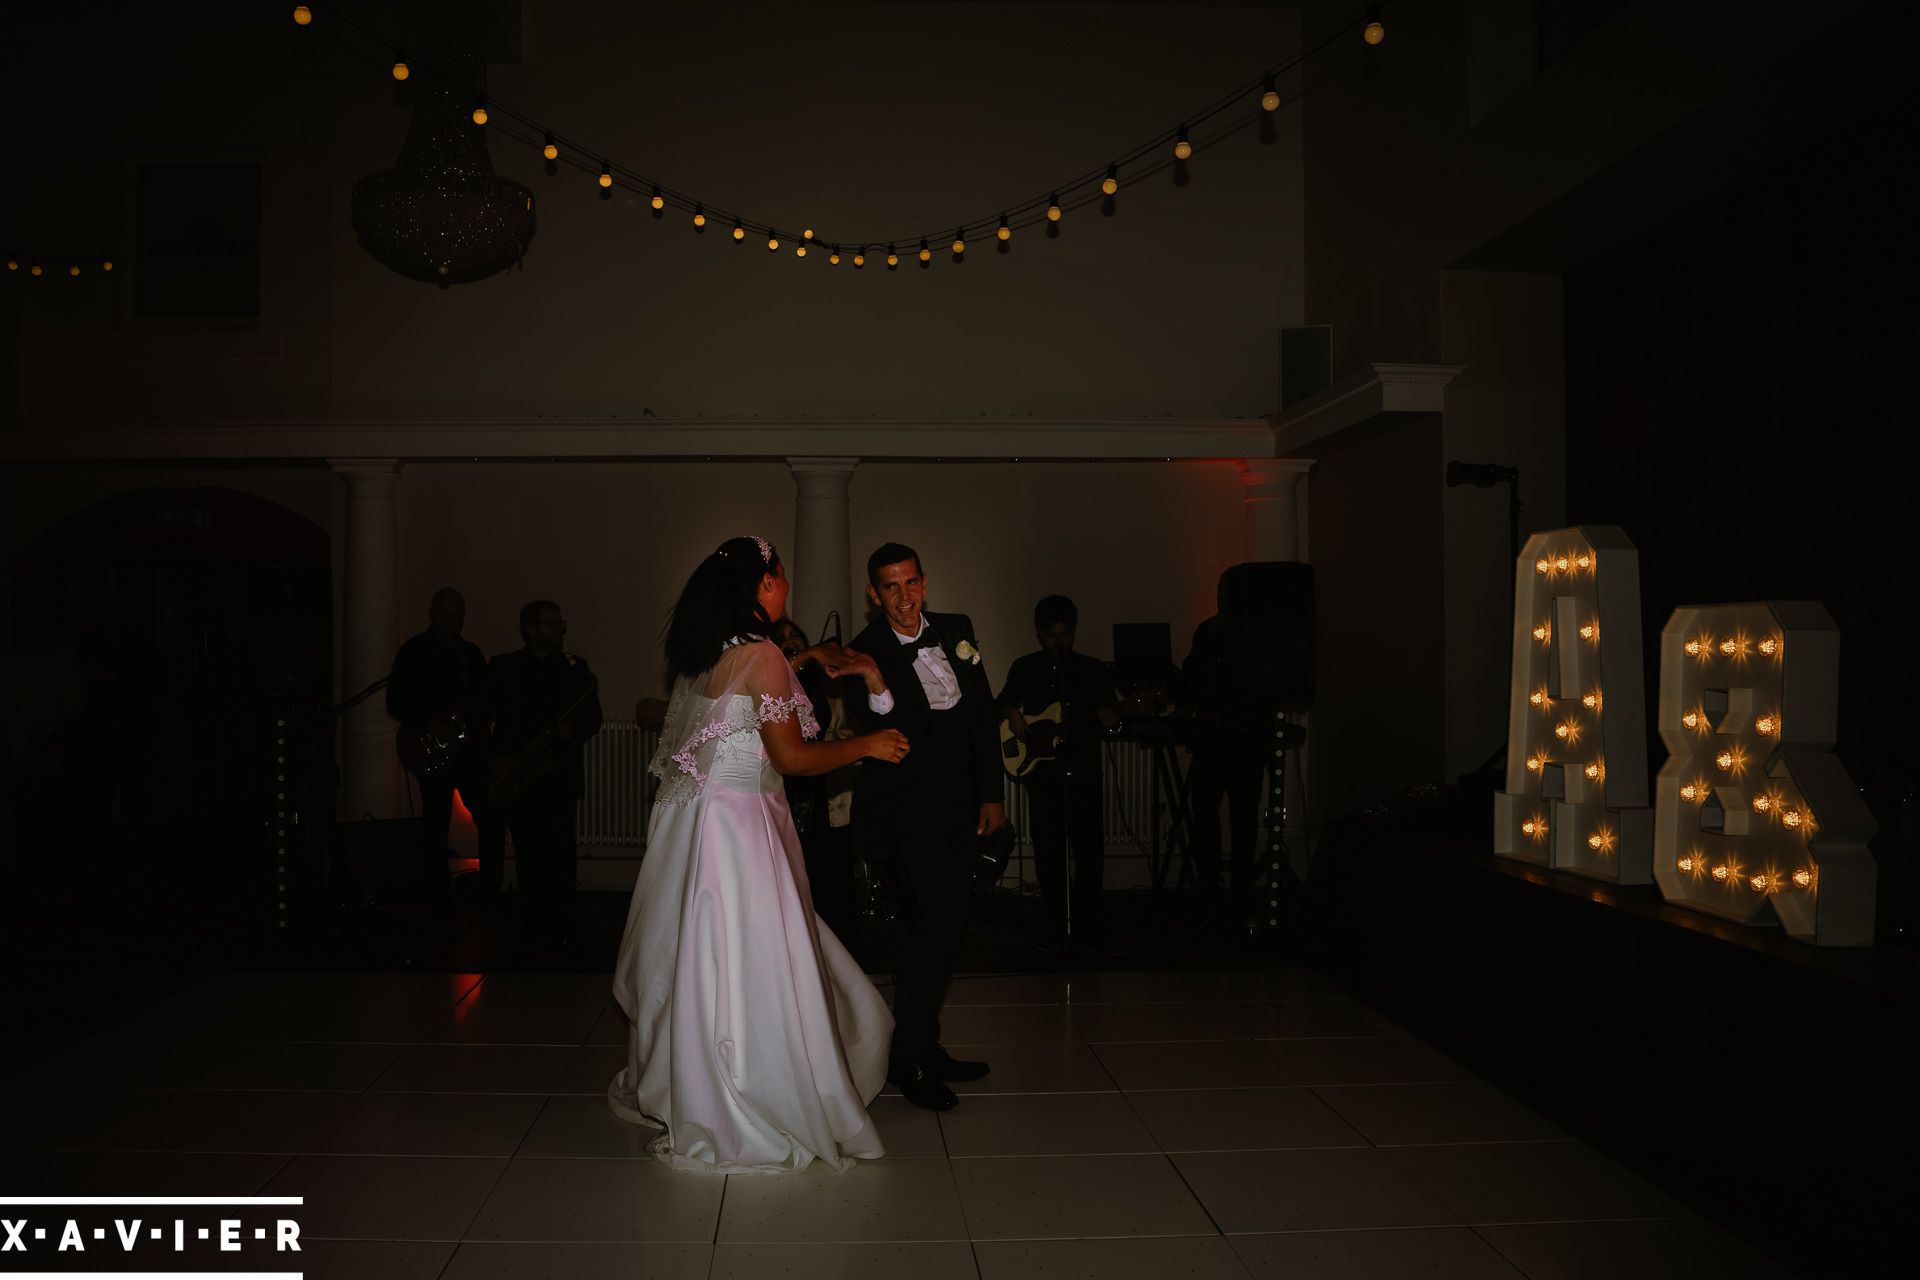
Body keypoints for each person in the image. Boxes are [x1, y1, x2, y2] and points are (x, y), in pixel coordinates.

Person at [609, 536, 909, 1174]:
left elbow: (741, 705)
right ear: (763, 586)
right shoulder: (763, 655)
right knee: (758, 955)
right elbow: (793, 757)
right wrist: (869, 746)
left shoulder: (710, 655)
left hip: (704, 821)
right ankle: (759, 1088)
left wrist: (804, 658)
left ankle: (704, 1072)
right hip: (743, 823)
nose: (788, 589)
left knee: (713, 955)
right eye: (781, 579)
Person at [832, 542, 1003, 1112]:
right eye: (890, 587)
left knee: (948, 928)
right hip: (906, 809)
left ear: (924, 582)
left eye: (911, 584)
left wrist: (991, 793)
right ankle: (908, 1059)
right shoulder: (864, 652)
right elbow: (891, 737)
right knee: (938, 924)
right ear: (872, 594)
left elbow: (981, 710)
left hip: (959, 806)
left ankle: (925, 1044)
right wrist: (876, 681)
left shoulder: (957, 628)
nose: (903, 597)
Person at [996, 595, 1120, 954]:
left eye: (1066, 635)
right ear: (1039, 634)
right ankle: (1055, 922)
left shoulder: (1094, 670)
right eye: (1052, 636)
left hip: (1082, 769)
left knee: (1089, 848)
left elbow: (1109, 719)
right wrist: (1010, 712)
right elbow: (999, 703)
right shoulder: (1025, 668)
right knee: (1049, 849)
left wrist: (1112, 719)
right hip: (1043, 774)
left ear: (1074, 631)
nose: (1060, 643)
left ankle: (1090, 925)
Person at [486, 600, 602, 949]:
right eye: (551, 623)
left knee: (563, 853)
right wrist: (493, 758)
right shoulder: (503, 668)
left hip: (560, 774)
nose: (560, 629)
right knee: (529, 854)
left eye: (561, 622)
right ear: (530, 629)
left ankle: (563, 925)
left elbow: (592, 716)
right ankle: (534, 926)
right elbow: (480, 719)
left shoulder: (575, 668)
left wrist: (574, 730)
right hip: (523, 777)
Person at [386, 588, 502, 903]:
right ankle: (437, 892)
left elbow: (484, 703)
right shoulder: (414, 651)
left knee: (490, 816)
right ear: (433, 613)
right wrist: (429, 724)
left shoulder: (472, 654)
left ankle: (490, 891)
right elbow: (396, 701)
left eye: (459, 614)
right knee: (435, 823)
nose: (453, 620)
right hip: (430, 746)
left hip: (468, 751)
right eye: (447, 613)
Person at [772, 617, 862, 942]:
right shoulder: (771, 685)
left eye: (795, 636)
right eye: (781, 639)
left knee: (834, 882)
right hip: (784, 794)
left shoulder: (828, 685)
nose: (790, 642)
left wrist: (828, 748)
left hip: (828, 794)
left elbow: (850, 728)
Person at [1183, 571, 1267, 910]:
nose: (1221, 596)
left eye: (1226, 591)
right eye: (1218, 590)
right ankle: (1212, 880)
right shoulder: (1208, 632)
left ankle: (1235, 883)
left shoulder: (1248, 635)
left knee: (1241, 813)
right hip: (1215, 737)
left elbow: (1256, 688)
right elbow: (1193, 679)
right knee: (1205, 809)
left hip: (1242, 738)